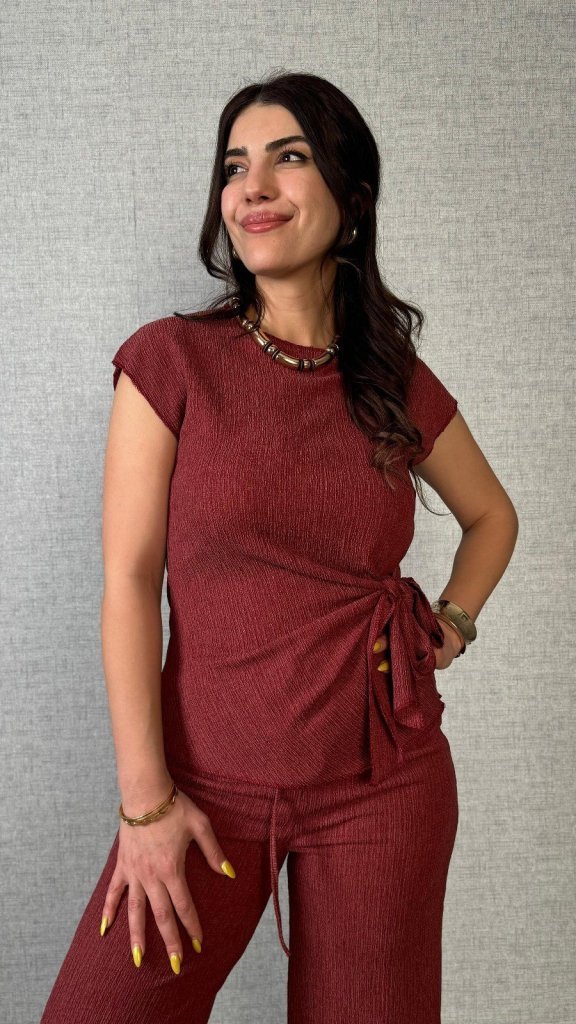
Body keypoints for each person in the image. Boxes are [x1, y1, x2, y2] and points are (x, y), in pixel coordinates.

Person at [40, 71, 519, 1024]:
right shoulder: (171, 361)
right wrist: (145, 803)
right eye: (234, 167)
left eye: (288, 158)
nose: (252, 187)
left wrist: (451, 623)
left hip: (386, 788)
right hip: (200, 792)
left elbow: (492, 517)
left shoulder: (392, 380)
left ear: (353, 198)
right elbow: (129, 584)